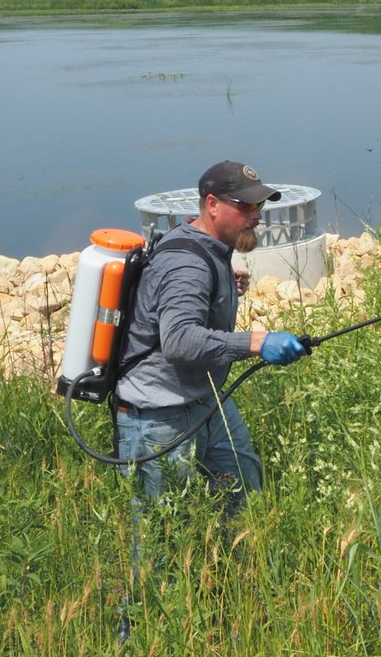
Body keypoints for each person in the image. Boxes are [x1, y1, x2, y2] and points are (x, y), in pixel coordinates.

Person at [113, 160, 309, 518]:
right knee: (164, 537)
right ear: (213, 205)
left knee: (242, 497)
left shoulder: (202, 246)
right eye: (246, 206)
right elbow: (180, 341)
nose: (257, 216)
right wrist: (256, 342)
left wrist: (220, 287)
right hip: (159, 419)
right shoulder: (187, 264)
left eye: (260, 206)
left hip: (206, 403)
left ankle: (237, 569)